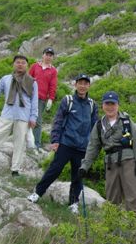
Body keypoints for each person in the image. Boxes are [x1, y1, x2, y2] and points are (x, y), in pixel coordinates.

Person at [27, 74, 98, 214]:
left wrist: (92, 146)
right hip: (66, 143)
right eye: (80, 83)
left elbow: (94, 126)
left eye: (85, 83)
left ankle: (73, 203)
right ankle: (37, 193)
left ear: (89, 86)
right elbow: (58, 121)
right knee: (54, 170)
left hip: (82, 147)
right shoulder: (68, 100)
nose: (82, 86)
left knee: (78, 176)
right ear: (75, 85)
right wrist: (55, 140)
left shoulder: (92, 105)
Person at [78, 90, 136, 219]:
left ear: (118, 105)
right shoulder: (99, 125)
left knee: (133, 198)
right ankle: (112, 229)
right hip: (110, 165)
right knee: (112, 199)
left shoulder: (126, 121)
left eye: (113, 104)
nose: (110, 107)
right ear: (103, 105)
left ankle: (134, 231)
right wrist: (84, 167)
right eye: (107, 104)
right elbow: (93, 147)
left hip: (129, 162)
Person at [29, 47, 58, 150]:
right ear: (43, 55)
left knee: (37, 121)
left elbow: (53, 85)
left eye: (50, 55)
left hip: (41, 99)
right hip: (29, 96)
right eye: (47, 54)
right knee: (25, 118)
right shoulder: (35, 66)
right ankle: (25, 141)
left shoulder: (53, 71)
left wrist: (51, 99)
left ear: (52, 57)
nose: (48, 57)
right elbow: (27, 79)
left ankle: (36, 144)